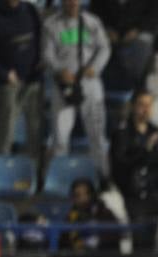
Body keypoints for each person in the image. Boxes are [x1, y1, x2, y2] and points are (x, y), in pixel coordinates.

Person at [43, 0, 112, 174]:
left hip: (89, 82)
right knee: (60, 137)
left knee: (96, 135)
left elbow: (105, 48)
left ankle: (101, 175)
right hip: (64, 85)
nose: (72, 3)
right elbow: (47, 54)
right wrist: (60, 70)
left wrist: (94, 68)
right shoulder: (51, 25)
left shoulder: (92, 22)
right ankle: (60, 178)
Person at [110, 90, 158, 248]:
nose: (145, 109)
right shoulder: (122, 134)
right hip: (134, 196)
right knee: (141, 241)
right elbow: (121, 164)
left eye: (149, 105)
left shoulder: (156, 132)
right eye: (141, 105)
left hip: (157, 194)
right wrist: (144, 150)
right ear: (133, 107)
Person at [0, 0, 45, 166]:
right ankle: (0, 172)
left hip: (33, 78)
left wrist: (41, 60)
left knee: (34, 129)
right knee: (5, 132)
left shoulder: (30, 10)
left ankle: (32, 172)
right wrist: (3, 74)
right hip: (9, 83)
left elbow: (40, 36)